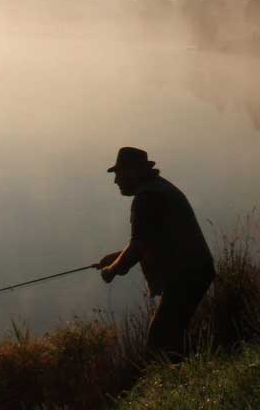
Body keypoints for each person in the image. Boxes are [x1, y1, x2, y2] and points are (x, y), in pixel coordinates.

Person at [96, 147, 215, 361]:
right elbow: (147, 239)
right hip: (194, 270)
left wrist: (112, 270)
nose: (116, 181)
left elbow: (138, 246)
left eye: (118, 174)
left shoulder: (147, 198)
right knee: (170, 336)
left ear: (133, 172)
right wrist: (116, 257)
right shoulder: (158, 189)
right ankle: (191, 376)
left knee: (159, 341)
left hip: (187, 274)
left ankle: (184, 384)